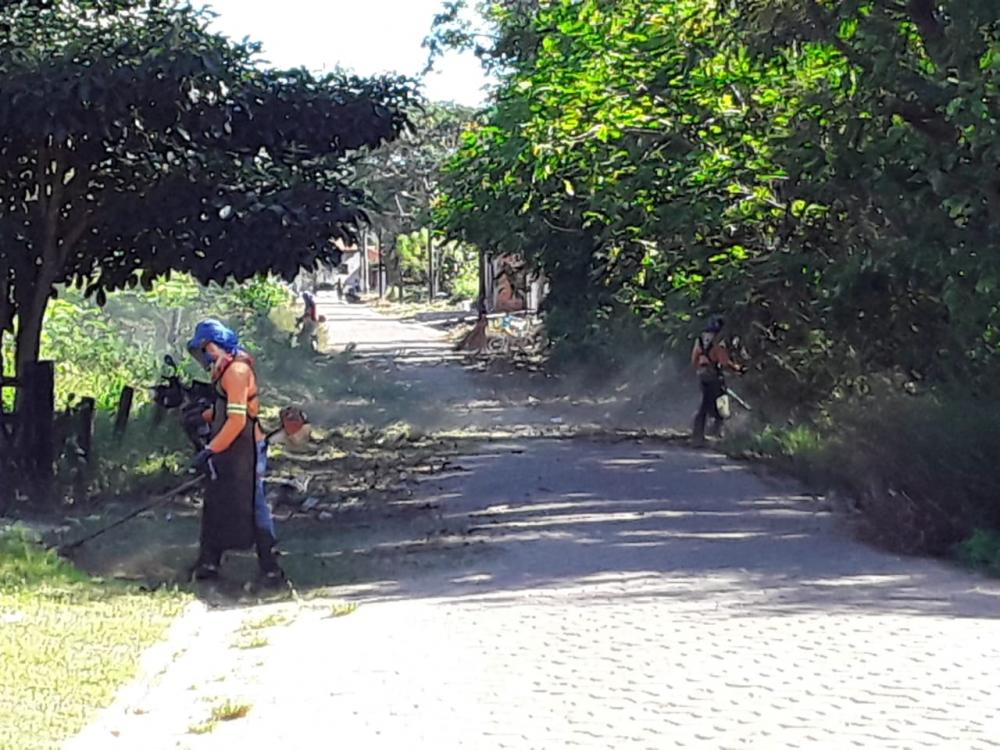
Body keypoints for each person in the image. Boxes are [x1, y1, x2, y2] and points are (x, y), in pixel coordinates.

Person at [187, 319, 284, 586]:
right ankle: (209, 561)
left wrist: (210, 449)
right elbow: (225, 408)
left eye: (204, 348)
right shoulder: (222, 369)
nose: (202, 355)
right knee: (216, 500)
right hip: (229, 444)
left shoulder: (237, 372)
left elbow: (238, 420)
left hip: (247, 448)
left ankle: (270, 564)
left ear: (215, 345)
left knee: (253, 502)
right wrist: (204, 416)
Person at [691, 315, 745, 443]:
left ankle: (698, 433)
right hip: (715, 376)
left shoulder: (700, 340)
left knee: (705, 404)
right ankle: (717, 432)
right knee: (722, 402)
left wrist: (700, 370)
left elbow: (694, 360)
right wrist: (737, 368)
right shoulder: (718, 342)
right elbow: (724, 361)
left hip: (703, 375)